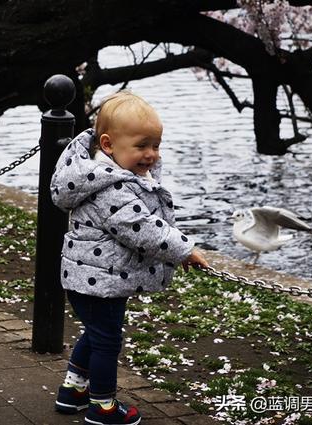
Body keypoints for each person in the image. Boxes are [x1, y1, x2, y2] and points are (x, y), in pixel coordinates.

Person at [50, 91, 209, 425]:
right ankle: (102, 406)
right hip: (98, 280)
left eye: (156, 145)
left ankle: (73, 391)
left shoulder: (106, 173)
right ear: (108, 145)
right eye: (142, 146)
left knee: (96, 334)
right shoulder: (111, 188)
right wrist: (184, 249)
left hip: (97, 276)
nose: (151, 155)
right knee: (107, 342)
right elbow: (143, 228)